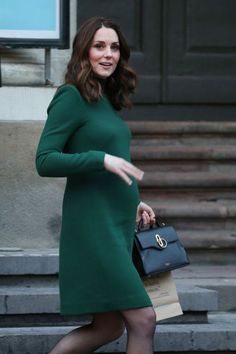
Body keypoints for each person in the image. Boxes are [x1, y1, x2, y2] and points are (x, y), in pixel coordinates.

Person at [36, 16, 156, 354]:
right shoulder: (70, 96)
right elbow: (44, 160)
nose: (108, 54)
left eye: (114, 47)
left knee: (108, 326)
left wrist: (135, 200)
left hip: (117, 224)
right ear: (83, 51)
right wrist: (99, 158)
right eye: (99, 46)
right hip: (93, 228)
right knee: (144, 319)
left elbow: (117, 160)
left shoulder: (104, 98)